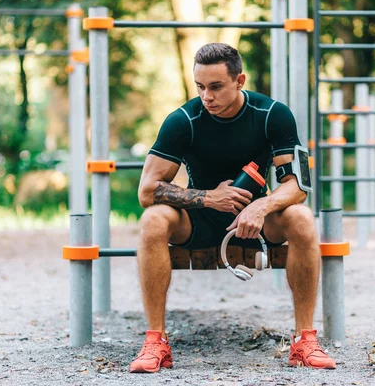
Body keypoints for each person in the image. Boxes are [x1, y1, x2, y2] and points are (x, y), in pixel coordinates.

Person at [129, 43, 336, 373]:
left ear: (239, 80)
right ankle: (156, 341)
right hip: (199, 222)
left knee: (301, 216)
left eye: (215, 86)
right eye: (200, 87)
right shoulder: (183, 120)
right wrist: (211, 198)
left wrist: (262, 206)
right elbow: (147, 191)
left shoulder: (272, 114)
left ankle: (304, 340)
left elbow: (300, 186)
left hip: (258, 223)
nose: (206, 96)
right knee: (153, 219)